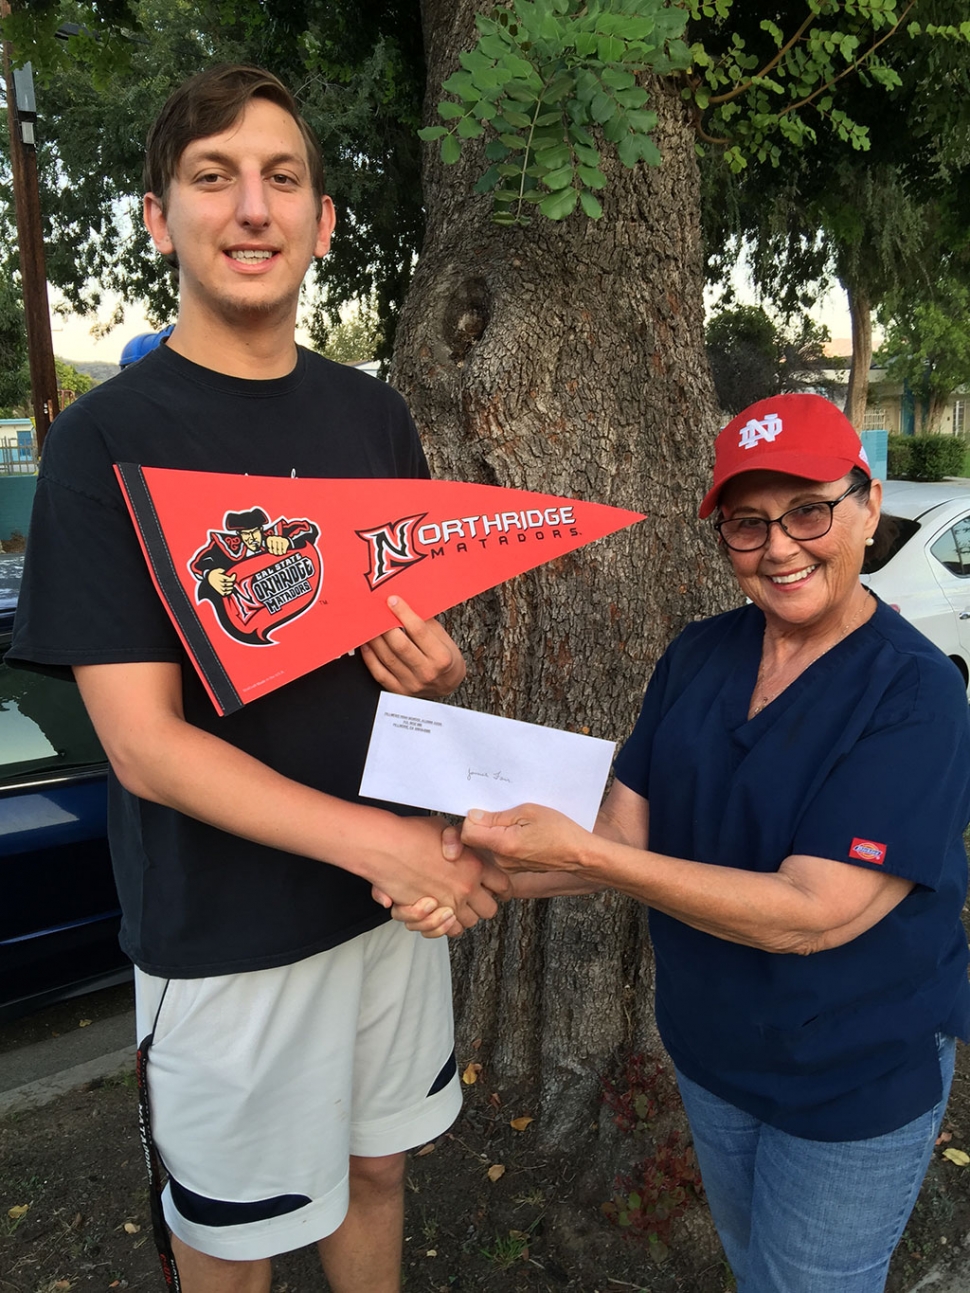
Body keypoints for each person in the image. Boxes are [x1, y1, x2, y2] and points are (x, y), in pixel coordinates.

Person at [8, 64, 509, 1293]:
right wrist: (383, 848)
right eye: (212, 177)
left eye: (282, 180)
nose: (251, 209)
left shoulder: (373, 418)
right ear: (156, 217)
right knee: (233, 1243)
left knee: (379, 1175)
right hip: (225, 942)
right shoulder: (104, 443)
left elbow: (398, 682)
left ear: (321, 221)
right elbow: (142, 746)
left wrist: (437, 678)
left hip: (385, 914)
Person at [393, 393, 970, 1292]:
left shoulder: (916, 693)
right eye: (748, 524)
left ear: (868, 502)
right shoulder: (699, 655)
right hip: (713, 1052)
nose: (780, 546)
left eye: (809, 510)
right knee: (754, 1266)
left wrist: (585, 857)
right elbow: (620, 830)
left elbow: (815, 915)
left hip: (853, 1075)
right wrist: (464, 870)